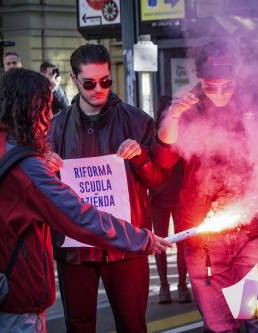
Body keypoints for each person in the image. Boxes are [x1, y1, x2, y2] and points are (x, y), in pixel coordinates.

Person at [0, 68, 170, 332]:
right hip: (17, 295)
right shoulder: (27, 166)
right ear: (30, 110)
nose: (47, 119)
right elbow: (79, 217)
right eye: (44, 108)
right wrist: (141, 238)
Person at [155, 42, 258, 332]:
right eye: (211, 86)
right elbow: (164, 156)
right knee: (218, 326)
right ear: (200, 80)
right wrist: (173, 115)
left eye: (227, 86)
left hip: (255, 231)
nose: (219, 94)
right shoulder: (187, 106)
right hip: (203, 237)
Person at [48, 44, 171, 333]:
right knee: (79, 327)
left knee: (132, 325)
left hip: (125, 247)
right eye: (89, 83)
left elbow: (158, 181)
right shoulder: (55, 127)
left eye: (105, 81)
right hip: (75, 249)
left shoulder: (136, 120)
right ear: (73, 79)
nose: (98, 89)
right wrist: (46, 166)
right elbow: (42, 190)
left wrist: (140, 156)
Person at [150, 96, 191, 304]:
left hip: (179, 195)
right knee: (160, 242)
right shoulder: (153, 135)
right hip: (158, 195)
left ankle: (182, 285)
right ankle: (165, 286)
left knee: (182, 241)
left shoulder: (182, 134)